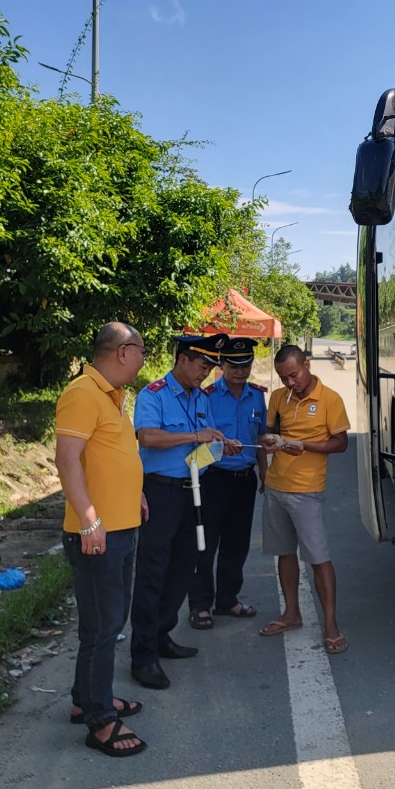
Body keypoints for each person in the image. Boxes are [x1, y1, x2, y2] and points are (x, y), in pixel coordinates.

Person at [54, 321, 149, 757]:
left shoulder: (113, 397)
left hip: (122, 526)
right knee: (103, 628)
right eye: (142, 350)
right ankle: (99, 720)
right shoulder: (82, 393)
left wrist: (138, 492)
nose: (145, 359)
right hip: (97, 535)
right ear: (123, 352)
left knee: (107, 623)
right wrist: (90, 520)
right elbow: (68, 461)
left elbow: (113, 455)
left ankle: (86, 697)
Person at [129, 332, 228, 690]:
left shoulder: (200, 398)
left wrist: (217, 443)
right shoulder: (152, 394)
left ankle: (161, 634)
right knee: (153, 571)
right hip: (161, 492)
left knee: (185, 568)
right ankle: (142, 656)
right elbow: (148, 438)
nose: (206, 372)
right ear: (182, 359)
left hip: (194, 491)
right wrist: (194, 437)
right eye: (203, 365)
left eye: (210, 367)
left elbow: (202, 440)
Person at [258, 344, 351, 654]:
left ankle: (330, 624)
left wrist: (304, 446)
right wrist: (271, 442)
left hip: (307, 490)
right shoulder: (277, 398)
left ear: (307, 365)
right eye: (283, 378)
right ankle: (291, 613)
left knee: (318, 558)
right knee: (284, 553)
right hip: (276, 486)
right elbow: (268, 432)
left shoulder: (330, 400)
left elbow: (340, 444)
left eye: (294, 375)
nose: (289, 383)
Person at [187, 337, 268, 629]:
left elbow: (260, 438)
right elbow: (195, 445)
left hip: (244, 480)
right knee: (205, 545)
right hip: (214, 480)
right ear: (221, 365)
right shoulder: (205, 396)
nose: (240, 371)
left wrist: (264, 473)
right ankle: (200, 605)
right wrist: (221, 448)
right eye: (233, 365)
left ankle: (227, 599)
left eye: (245, 365)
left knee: (237, 543)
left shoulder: (257, 397)